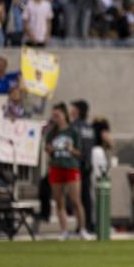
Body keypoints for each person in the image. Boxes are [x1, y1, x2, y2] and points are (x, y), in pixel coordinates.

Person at [45, 103, 93, 241]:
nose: (55, 118)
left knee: (75, 200)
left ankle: (82, 229)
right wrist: (50, 151)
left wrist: (70, 149)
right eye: (53, 116)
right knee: (59, 201)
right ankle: (64, 230)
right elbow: (49, 150)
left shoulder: (73, 132)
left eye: (57, 115)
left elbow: (79, 152)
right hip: (56, 167)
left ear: (64, 115)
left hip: (71, 167)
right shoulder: (52, 133)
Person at [70, 100, 95, 233]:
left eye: (73, 108)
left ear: (78, 111)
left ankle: (81, 225)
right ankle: (88, 224)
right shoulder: (89, 127)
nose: (70, 110)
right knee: (86, 197)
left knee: (77, 198)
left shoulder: (74, 126)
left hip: (77, 165)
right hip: (88, 165)